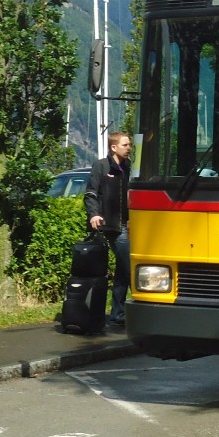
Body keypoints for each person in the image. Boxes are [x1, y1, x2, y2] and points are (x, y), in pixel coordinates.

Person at [84, 131, 131, 326]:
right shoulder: (101, 166)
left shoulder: (129, 167)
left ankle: (118, 314)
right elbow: (91, 192)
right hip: (112, 227)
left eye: (129, 145)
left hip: (129, 225)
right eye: (125, 145)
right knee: (130, 266)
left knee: (122, 270)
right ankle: (146, 308)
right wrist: (94, 214)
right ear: (114, 147)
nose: (129, 148)